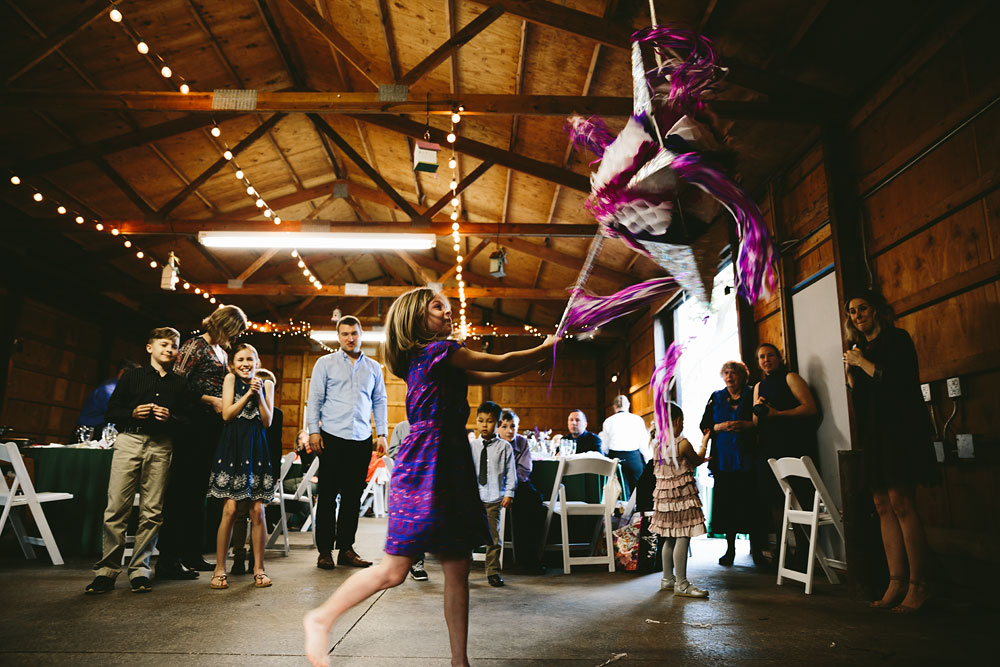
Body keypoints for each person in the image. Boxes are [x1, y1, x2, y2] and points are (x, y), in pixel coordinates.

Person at [303, 287, 558, 667]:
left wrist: (538, 357)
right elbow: (501, 361)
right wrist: (544, 347)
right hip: (428, 462)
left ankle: (460, 661)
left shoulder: (429, 358)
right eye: (438, 307)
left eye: (448, 307)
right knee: (395, 568)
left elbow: (494, 368)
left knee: (456, 565)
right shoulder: (441, 352)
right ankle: (321, 617)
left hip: (447, 460)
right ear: (415, 318)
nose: (447, 312)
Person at [844, 289, 938, 613]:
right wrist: (851, 378)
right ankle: (895, 581)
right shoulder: (860, 350)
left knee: (901, 502)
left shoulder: (897, 340)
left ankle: (919, 584)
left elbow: (898, 384)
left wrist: (861, 363)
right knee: (881, 504)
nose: (857, 316)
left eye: (862, 308)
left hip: (900, 431)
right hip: (875, 435)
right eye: (852, 312)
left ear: (876, 310)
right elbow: (864, 402)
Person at [85, 328, 185, 595]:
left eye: (174, 346)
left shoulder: (179, 383)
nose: (169, 349)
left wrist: (171, 418)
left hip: (162, 445)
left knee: (152, 511)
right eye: (164, 344)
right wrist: (131, 412)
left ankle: (140, 570)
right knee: (117, 506)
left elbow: (187, 422)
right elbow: (111, 411)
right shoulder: (132, 377)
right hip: (129, 440)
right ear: (149, 348)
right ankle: (106, 572)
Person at [156, 305, 248, 580]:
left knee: (199, 492)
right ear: (224, 325)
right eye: (236, 329)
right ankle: (168, 558)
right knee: (182, 491)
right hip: (192, 424)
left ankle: (191, 553)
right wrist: (210, 400)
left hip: (212, 427)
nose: (238, 334)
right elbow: (178, 383)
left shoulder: (221, 350)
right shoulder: (195, 345)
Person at [307, 315, 388, 570]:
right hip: (330, 437)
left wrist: (382, 433)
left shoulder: (374, 367)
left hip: (361, 439)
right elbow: (315, 398)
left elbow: (379, 401)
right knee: (328, 496)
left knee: (353, 498)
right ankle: (324, 552)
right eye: (344, 334)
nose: (350, 338)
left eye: (354, 333)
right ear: (338, 336)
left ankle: (346, 549)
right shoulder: (325, 363)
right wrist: (313, 431)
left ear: (360, 334)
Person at [207, 343, 275, 590]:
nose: (246, 364)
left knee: (258, 511)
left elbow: (267, 422)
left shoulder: (266, 385)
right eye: (241, 360)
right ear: (233, 364)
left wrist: (259, 396)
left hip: (257, 448)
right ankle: (219, 568)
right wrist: (247, 394)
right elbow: (227, 415)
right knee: (230, 509)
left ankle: (259, 569)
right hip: (233, 447)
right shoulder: (229, 380)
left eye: (250, 359)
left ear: (257, 362)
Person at [753, 342, 818, 559]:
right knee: (774, 499)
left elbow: (810, 408)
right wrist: (760, 409)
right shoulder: (758, 387)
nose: (766, 360)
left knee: (799, 495)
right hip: (768, 447)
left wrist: (778, 414)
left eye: (770, 355)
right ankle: (783, 552)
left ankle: (804, 551)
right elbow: (755, 421)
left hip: (792, 443)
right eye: (761, 357)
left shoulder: (791, 377)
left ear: (779, 357)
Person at [700, 361, 764, 567]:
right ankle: (730, 550)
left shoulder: (753, 392)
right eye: (726, 373)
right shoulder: (716, 397)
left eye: (734, 373)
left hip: (749, 459)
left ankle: (758, 551)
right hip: (723, 461)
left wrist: (748, 425)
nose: (729, 377)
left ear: (743, 376)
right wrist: (720, 426)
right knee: (727, 505)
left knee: (753, 505)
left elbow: (763, 420)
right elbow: (704, 425)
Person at [651, 402, 709, 598]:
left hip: (664, 500)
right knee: (683, 536)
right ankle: (682, 584)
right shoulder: (682, 443)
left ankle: (668, 579)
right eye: (682, 421)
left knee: (668, 538)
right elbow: (697, 460)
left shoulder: (656, 444)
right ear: (676, 421)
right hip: (681, 497)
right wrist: (705, 442)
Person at [230, 368, 282, 576]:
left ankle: (255, 557)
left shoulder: (275, 414)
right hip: (244, 464)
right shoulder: (242, 412)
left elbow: (275, 444)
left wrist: (275, 473)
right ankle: (238, 556)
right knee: (240, 513)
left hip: (264, 466)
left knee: (258, 513)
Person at [470, 400, 516, 588]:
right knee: (467, 536)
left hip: (494, 498)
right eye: (480, 421)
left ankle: (493, 572)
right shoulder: (472, 446)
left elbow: (510, 473)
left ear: (498, 423)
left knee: (492, 538)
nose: (484, 425)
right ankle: (464, 569)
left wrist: (509, 493)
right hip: (473, 499)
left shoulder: (505, 447)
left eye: (489, 421)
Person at [497, 408, 547, 574]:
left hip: (518, 484)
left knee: (533, 504)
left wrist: (510, 484)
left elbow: (525, 470)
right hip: (495, 486)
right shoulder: (492, 442)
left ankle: (529, 559)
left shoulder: (522, 442)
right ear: (498, 427)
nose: (509, 431)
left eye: (513, 426)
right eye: (504, 426)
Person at [388, 419, 428, 581]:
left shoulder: (431, 427)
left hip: (425, 480)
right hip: (405, 482)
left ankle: (417, 562)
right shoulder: (401, 427)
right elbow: (392, 451)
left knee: (421, 522)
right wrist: (411, 452)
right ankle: (401, 561)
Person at [600, 395, 652, 500]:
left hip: (615, 458)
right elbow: (644, 443)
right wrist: (648, 459)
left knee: (618, 489)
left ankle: (620, 512)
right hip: (633, 457)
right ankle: (638, 512)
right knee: (638, 488)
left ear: (614, 407)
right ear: (628, 405)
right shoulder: (637, 419)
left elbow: (604, 446)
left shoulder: (608, 421)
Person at [76, 359, 140, 435]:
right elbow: (118, 413)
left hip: (100, 430)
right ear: (121, 373)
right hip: (88, 431)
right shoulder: (109, 389)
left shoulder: (120, 389)